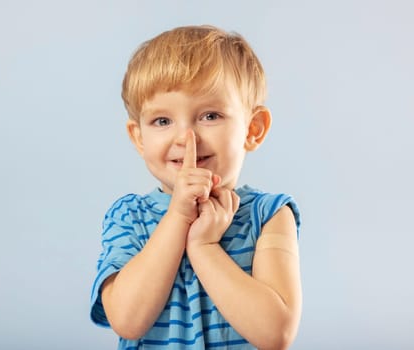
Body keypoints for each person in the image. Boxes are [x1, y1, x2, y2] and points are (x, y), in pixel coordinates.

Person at [90, 24, 302, 349]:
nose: (185, 137)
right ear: (139, 138)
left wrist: (204, 249)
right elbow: (127, 321)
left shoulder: (270, 214)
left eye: (210, 116)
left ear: (253, 129)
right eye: (162, 121)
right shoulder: (128, 216)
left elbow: (276, 334)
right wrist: (178, 218)